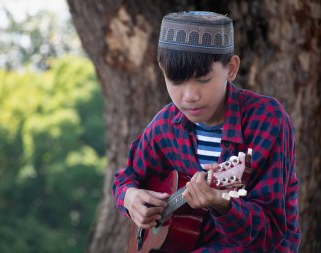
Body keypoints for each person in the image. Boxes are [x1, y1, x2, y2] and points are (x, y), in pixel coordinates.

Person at [112, 11, 300, 252]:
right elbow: (125, 177)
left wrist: (224, 206)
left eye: (203, 79)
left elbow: (271, 234)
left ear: (231, 68)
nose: (189, 96)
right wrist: (129, 198)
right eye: (177, 82)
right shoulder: (166, 125)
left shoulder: (266, 119)